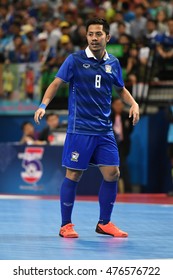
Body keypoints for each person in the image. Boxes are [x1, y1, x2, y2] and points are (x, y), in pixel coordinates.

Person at [34, 18, 140, 238]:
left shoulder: (114, 62)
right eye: (90, 34)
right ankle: (66, 225)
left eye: (98, 34)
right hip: (80, 129)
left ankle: (104, 223)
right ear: (86, 37)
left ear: (107, 37)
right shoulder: (74, 60)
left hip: (104, 130)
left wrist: (134, 103)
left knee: (113, 173)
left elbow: (120, 89)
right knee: (73, 175)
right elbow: (55, 84)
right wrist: (44, 105)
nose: (94, 38)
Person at [111, 97, 133, 193]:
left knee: (123, 165)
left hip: (123, 145)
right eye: (117, 105)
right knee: (113, 167)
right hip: (111, 145)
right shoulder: (108, 116)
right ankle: (115, 189)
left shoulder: (127, 116)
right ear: (112, 105)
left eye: (121, 104)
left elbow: (130, 130)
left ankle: (127, 189)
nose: (119, 107)